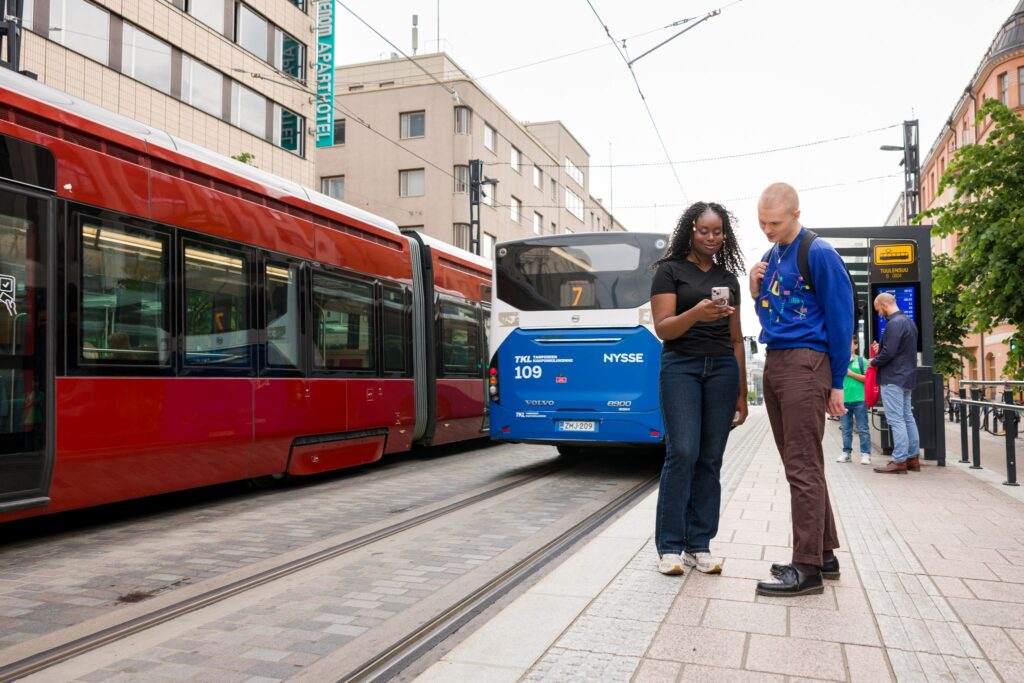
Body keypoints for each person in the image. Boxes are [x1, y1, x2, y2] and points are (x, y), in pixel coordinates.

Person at [748, 183, 853, 597]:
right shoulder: (769, 256)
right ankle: (822, 555)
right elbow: (771, 314)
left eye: (774, 223)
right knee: (802, 462)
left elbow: (842, 319)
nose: (767, 229)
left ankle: (805, 569)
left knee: (802, 466)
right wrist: (755, 292)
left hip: (807, 362)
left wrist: (839, 382)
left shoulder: (819, 253)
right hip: (777, 360)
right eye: (761, 221)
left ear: (795, 214)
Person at [650, 201, 748, 576]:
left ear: (725, 234)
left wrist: (741, 393)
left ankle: (699, 545)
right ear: (690, 230)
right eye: (704, 230)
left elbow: (737, 339)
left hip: (722, 368)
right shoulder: (669, 272)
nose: (711, 237)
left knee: (710, 459)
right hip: (682, 367)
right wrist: (696, 313)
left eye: (718, 231)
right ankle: (670, 547)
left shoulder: (729, 277)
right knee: (683, 452)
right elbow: (664, 328)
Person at [870, 292, 920, 474]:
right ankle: (913, 458)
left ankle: (899, 461)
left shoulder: (893, 324)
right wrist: (880, 348)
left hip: (893, 377)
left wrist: (873, 361)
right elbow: (899, 350)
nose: (878, 313)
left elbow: (889, 353)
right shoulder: (908, 323)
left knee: (896, 419)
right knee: (907, 417)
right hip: (907, 376)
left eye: (877, 309)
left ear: (883, 304)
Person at [838, 337, 872, 465]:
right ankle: (846, 453)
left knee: (862, 428)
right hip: (844, 400)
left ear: (856, 346)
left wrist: (851, 374)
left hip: (860, 400)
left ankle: (866, 454)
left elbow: (868, 379)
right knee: (846, 429)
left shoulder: (862, 361)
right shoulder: (840, 361)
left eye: (850, 343)